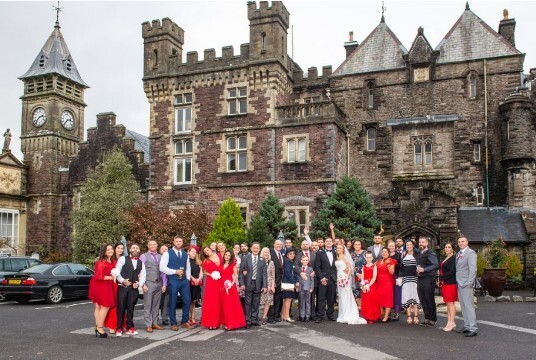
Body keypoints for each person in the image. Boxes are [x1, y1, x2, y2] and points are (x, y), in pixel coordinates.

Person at [159, 236, 193, 330]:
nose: (178, 243)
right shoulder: (167, 253)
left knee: (187, 300)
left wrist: (187, 279)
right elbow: (162, 268)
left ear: (182, 242)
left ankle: (184, 321)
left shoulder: (185, 254)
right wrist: (175, 271)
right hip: (173, 280)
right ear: (173, 242)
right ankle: (173, 323)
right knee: (173, 302)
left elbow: (188, 267)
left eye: (180, 241)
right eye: (177, 241)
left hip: (184, 281)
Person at [114, 243, 147, 336]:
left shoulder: (141, 263)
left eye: (137, 248)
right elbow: (117, 271)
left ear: (139, 251)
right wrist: (123, 280)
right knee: (121, 308)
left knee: (131, 308)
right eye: (133, 248)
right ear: (130, 250)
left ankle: (129, 327)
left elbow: (143, 275)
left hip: (134, 289)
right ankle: (119, 328)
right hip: (123, 287)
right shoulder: (123, 259)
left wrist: (139, 284)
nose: (135, 249)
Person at [335, 244, 366, 324]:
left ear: (343, 250)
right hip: (339, 278)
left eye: (340, 248)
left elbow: (350, 269)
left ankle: (347, 315)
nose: (338, 249)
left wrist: (346, 278)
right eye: (338, 248)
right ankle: (342, 315)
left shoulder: (345, 257)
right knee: (341, 296)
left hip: (344, 279)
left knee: (346, 296)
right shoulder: (337, 257)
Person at [89, 244, 116, 338]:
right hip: (100, 285)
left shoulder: (111, 260)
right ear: (104, 251)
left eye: (111, 249)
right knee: (105, 306)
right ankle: (100, 327)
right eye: (108, 249)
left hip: (105, 285)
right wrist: (112, 277)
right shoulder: (101, 262)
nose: (110, 251)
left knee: (99, 307)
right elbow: (99, 276)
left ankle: (98, 327)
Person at [140, 239, 166, 333]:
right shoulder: (143, 256)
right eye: (150, 244)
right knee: (148, 304)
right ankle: (148, 324)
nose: (152, 245)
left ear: (157, 245)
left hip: (159, 283)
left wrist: (164, 284)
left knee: (156, 304)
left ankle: (155, 323)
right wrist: (143, 284)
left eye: (154, 244)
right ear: (148, 246)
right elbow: (141, 271)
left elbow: (163, 272)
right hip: (149, 283)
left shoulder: (161, 256)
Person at [239, 242, 267, 328]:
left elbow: (264, 274)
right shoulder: (245, 258)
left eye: (257, 248)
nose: (255, 249)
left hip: (258, 284)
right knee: (248, 302)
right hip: (248, 283)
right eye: (254, 248)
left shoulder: (262, 260)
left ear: (259, 249)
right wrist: (242, 284)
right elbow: (241, 272)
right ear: (251, 248)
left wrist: (265, 286)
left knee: (256, 302)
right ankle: (247, 320)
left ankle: (254, 319)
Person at [455, 236, 478, 337]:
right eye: (459, 242)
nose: (461, 243)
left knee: (469, 306)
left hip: (466, 284)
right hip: (459, 283)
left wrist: (469, 282)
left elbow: (473, 269)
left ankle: (473, 328)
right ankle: (467, 325)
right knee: (463, 306)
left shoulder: (471, 253)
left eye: (463, 241)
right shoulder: (458, 254)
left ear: (467, 242)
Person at [221, 250, 247, 330]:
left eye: (229, 255)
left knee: (230, 306)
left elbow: (236, 275)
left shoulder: (233, 265)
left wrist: (231, 284)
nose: (227, 256)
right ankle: (225, 322)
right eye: (226, 255)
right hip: (222, 287)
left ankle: (231, 324)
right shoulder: (221, 264)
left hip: (230, 287)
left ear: (231, 257)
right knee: (224, 306)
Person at [416, 236, 439, 327]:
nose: (421, 244)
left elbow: (436, 265)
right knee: (423, 299)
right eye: (420, 242)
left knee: (429, 299)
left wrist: (424, 269)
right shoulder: (418, 252)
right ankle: (427, 318)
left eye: (423, 242)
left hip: (428, 279)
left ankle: (433, 319)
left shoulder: (430, 253)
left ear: (427, 243)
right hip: (420, 279)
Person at [315, 237, 337, 323]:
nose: (328, 242)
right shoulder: (320, 253)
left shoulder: (336, 253)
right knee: (321, 298)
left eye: (330, 241)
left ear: (332, 243)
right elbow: (317, 266)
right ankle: (319, 316)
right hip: (323, 279)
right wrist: (321, 278)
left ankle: (330, 315)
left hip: (333, 279)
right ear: (324, 243)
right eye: (327, 241)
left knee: (331, 298)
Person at [200, 246, 223, 330]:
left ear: (211, 249)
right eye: (205, 252)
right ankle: (211, 323)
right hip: (211, 282)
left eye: (207, 250)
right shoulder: (206, 261)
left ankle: (218, 322)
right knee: (211, 302)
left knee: (219, 301)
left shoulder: (219, 256)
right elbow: (205, 271)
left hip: (220, 281)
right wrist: (212, 275)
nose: (207, 252)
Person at [104, 242, 124, 333]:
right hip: (113, 284)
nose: (120, 250)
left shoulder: (124, 258)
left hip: (123, 284)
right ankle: (112, 325)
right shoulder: (111, 259)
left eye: (122, 248)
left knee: (122, 305)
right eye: (118, 248)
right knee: (114, 304)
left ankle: (120, 324)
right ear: (115, 248)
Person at [400, 240, 421, 325]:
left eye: (410, 245)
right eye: (407, 245)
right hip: (406, 279)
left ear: (413, 245)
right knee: (407, 297)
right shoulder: (403, 254)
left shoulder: (417, 255)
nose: (409, 246)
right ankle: (409, 316)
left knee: (416, 296)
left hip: (415, 278)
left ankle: (416, 316)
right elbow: (401, 267)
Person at [439, 242, 457, 332]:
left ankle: (452, 322)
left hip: (450, 283)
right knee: (448, 303)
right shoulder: (445, 258)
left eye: (449, 247)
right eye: (445, 247)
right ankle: (449, 322)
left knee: (451, 303)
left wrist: (441, 278)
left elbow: (452, 271)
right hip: (445, 283)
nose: (447, 248)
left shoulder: (454, 258)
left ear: (452, 248)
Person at [376, 248, 397, 323]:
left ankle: (386, 316)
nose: (384, 253)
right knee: (380, 298)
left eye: (386, 252)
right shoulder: (379, 261)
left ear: (388, 253)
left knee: (387, 299)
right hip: (379, 282)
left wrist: (388, 264)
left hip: (387, 282)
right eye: (383, 252)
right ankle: (382, 313)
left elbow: (392, 272)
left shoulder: (391, 261)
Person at [360, 251, 381, 324]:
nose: (368, 259)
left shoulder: (374, 266)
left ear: (372, 258)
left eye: (370, 257)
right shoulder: (364, 266)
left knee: (372, 300)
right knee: (366, 301)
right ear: (365, 258)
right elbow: (362, 277)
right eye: (367, 257)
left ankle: (372, 317)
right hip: (364, 285)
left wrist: (368, 285)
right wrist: (362, 285)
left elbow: (374, 277)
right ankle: (366, 316)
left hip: (372, 286)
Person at [268, 239, 285, 324]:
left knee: (278, 298)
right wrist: (272, 281)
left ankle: (276, 315)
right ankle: (270, 316)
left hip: (281, 280)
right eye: (277, 244)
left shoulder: (282, 254)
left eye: (280, 245)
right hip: (273, 280)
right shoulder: (271, 254)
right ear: (274, 244)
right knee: (272, 298)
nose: (279, 246)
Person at [281, 248, 299, 322]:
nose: (292, 255)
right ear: (287, 254)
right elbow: (288, 273)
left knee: (286, 300)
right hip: (288, 282)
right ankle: (287, 316)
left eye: (293, 254)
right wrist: (294, 282)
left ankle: (284, 316)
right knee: (288, 299)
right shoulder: (288, 262)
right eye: (290, 254)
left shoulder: (290, 261)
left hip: (288, 282)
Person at [188, 245, 203, 325]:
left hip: (197, 283)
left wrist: (199, 278)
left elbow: (201, 271)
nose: (193, 253)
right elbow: (187, 272)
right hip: (189, 283)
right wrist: (193, 279)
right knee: (188, 301)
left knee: (193, 301)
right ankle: (188, 318)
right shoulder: (186, 261)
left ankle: (192, 317)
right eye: (192, 251)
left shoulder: (198, 261)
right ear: (189, 252)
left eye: (195, 252)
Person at [259, 247, 275, 325]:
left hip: (269, 285)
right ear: (262, 253)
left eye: (268, 252)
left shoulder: (271, 262)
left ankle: (264, 317)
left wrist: (272, 286)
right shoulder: (259, 261)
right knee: (258, 301)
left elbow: (273, 275)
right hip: (259, 284)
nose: (266, 253)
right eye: (265, 252)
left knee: (268, 302)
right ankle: (255, 317)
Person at [298, 255, 314, 322]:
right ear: (301, 261)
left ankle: (307, 316)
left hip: (307, 288)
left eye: (306, 260)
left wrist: (311, 288)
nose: (305, 261)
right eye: (303, 260)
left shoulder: (310, 269)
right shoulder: (299, 269)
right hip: (300, 288)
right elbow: (297, 278)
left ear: (308, 261)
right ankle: (302, 315)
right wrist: (297, 286)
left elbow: (312, 279)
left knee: (308, 302)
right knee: (302, 302)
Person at [350, 239, 366, 308]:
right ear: (353, 246)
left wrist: (363, 274)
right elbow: (349, 265)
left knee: (363, 290)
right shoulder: (350, 254)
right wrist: (356, 273)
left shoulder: (366, 253)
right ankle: (359, 306)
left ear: (361, 245)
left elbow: (369, 263)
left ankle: (364, 307)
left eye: (358, 244)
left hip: (364, 275)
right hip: (354, 276)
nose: (357, 246)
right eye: (355, 244)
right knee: (355, 291)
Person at [391, 239, 404, 321]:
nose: (391, 247)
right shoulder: (385, 254)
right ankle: (388, 312)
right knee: (389, 294)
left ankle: (397, 313)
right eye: (390, 246)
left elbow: (402, 266)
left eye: (392, 246)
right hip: (387, 277)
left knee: (397, 295)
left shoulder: (399, 255)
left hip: (396, 276)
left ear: (395, 246)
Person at [158, 244, 170, 325]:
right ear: (160, 251)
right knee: (156, 301)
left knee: (166, 301)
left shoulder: (170, 259)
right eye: (163, 249)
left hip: (168, 282)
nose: (165, 250)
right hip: (158, 282)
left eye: (166, 249)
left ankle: (165, 318)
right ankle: (155, 317)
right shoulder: (157, 259)